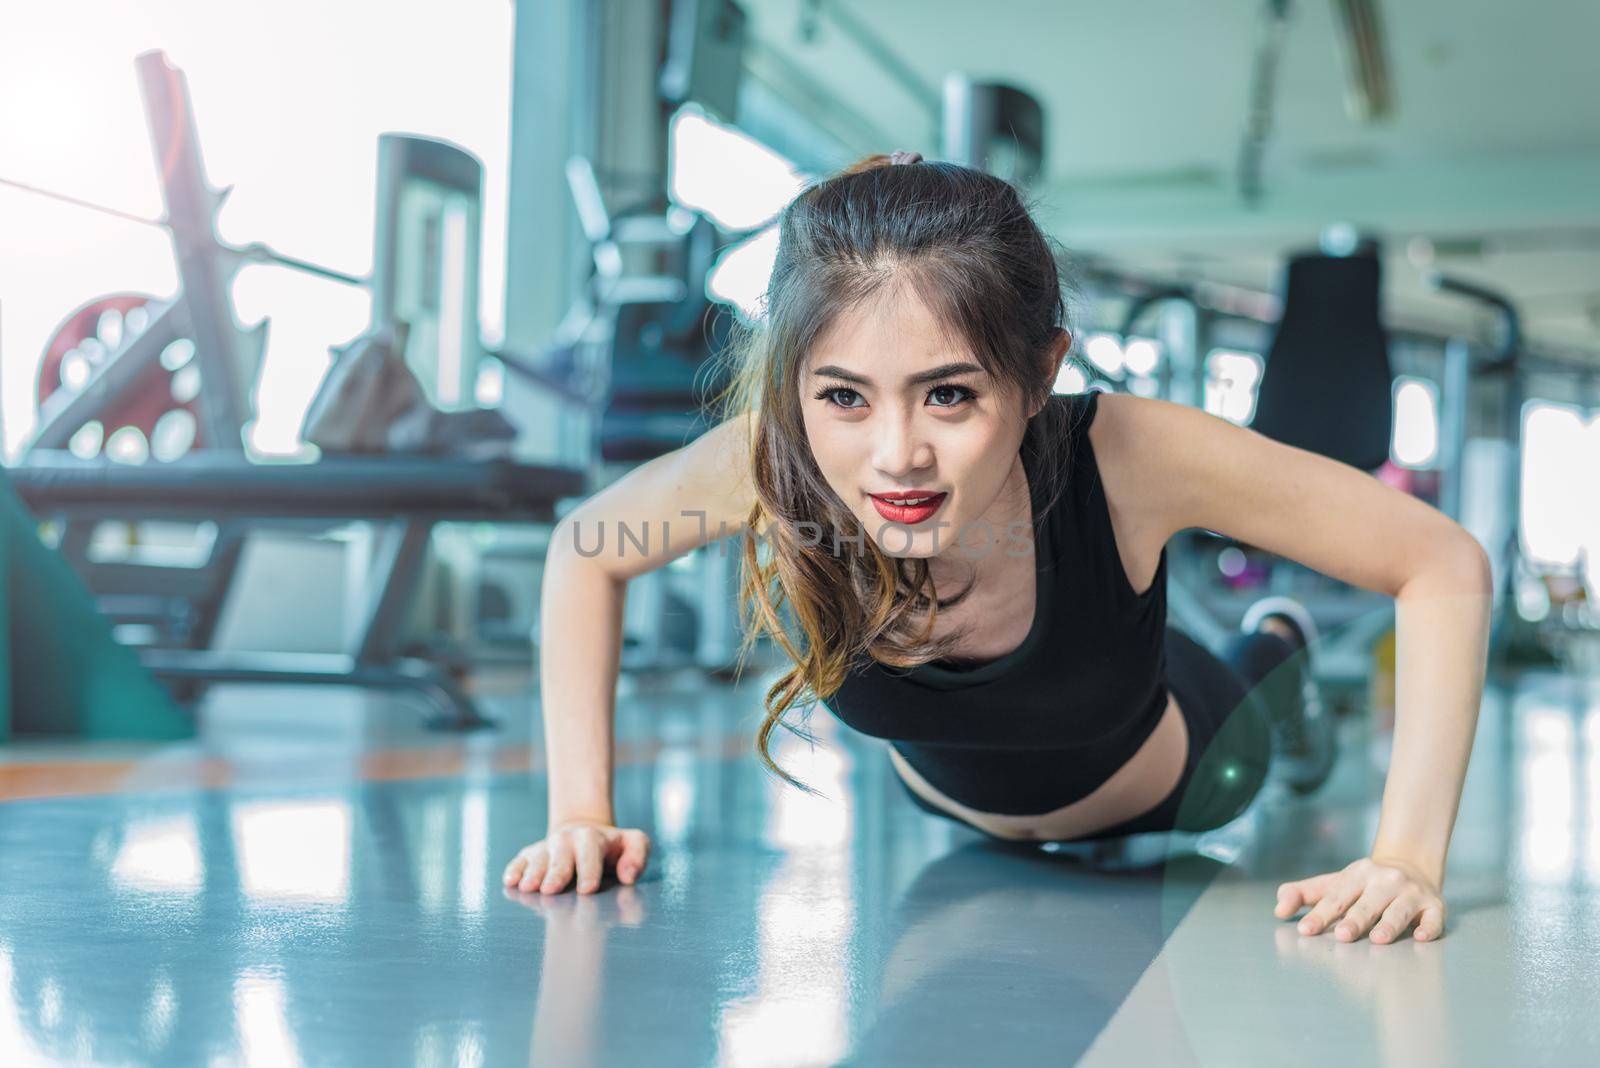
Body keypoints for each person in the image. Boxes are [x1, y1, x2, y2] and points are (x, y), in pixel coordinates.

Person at [503, 153, 1493, 946]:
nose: (896, 455)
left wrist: (1405, 856)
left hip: (1189, 780)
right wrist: (580, 809)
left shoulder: (1133, 454)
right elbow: (588, 549)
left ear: (1037, 374)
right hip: (968, 833)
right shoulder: (777, 459)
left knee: (1254, 681)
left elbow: (1439, 561)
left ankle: (1279, 643)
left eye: (949, 394)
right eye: (843, 395)